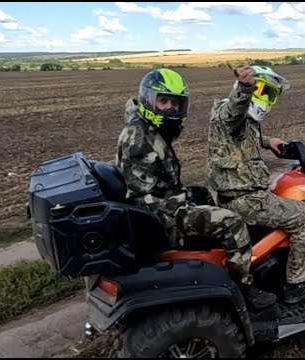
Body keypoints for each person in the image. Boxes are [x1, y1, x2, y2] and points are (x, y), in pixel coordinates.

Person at [115, 67, 277, 310]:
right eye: (163, 101)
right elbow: (143, 199)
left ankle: (215, 251)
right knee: (233, 222)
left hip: (163, 200)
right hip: (159, 217)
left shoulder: (145, 127)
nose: (170, 108)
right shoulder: (140, 140)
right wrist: (180, 210)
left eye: (176, 103)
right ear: (149, 99)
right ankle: (243, 287)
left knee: (201, 192)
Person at [207, 63, 305, 304]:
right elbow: (234, 114)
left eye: (270, 94)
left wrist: (268, 141)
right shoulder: (228, 112)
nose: (266, 98)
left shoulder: (244, 123)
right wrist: (245, 87)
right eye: (263, 91)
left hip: (237, 196)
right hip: (247, 200)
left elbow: (242, 133)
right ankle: (298, 283)